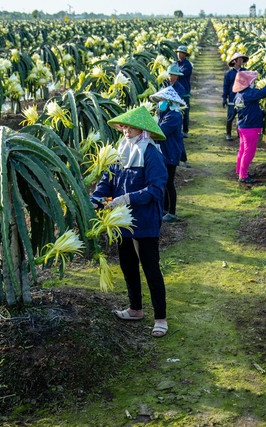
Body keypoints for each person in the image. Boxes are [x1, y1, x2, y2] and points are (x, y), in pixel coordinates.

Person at [90, 106, 169, 337]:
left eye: (131, 126)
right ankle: (135, 309)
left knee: (151, 268)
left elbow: (156, 189)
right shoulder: (120, 150)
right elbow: (107, 180)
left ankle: (161, 318)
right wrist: (95, 198)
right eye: (124, 126)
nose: (126, 130)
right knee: (128, 265)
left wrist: (127, 198)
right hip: (121, 221)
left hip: (144, 220)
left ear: (143, 129)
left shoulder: (152, 153)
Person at [149, 86, 186, 223]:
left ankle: (172, 212)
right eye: (160, 100)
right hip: (165, 152)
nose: (160, 102)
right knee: (164, 182)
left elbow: (161, 132)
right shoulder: (165, 114)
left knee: (169, 182)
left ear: (170, 102)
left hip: (171, 153)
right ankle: (164, 209)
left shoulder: (174, 116)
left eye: (163, 100)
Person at [232, 70, 266, 184]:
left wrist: (261, 113)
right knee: (249, 152)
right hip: (250, 127)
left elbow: (248, 109)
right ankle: (243, 176)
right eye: (252, 81)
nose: (253, 83)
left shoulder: (239, 95)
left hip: (243, 126)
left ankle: (240, 171)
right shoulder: (248, 93)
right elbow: (263, 93)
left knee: (242, 150)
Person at [222, 52, 248, 141]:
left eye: (242, 60)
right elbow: (225, 86)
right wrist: (224, 98)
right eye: (239, 59)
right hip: (232, 97)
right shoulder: (228, 73)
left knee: (241, 117)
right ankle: (228, 134)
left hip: (242, 98)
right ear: (234, 61)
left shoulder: (245, 72)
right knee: (230, 117)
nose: (241, 61)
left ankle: (240, 135)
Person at [175, 45, 193, 138]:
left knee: (185, 111)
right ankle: (178, 129)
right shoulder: (175, 63)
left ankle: (185, 130)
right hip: (176, 91)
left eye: (181, 52)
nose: (179, 54)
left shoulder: (188, 65)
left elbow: (179, 74)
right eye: (178, 52)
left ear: (185, 54)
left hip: (185, 91)